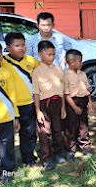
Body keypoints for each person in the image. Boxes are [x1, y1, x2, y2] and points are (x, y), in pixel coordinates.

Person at [1, 32, 39, 167]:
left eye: (23, 45)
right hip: (10, 107)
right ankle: (7, 163)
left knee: (29, 133)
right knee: (8, 137)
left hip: (29, 104)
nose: (21, 48)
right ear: (8, 47)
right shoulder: (3, 61)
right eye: (17, 45)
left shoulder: (31, 60)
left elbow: (42, 71)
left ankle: (29, 160)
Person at [32, 40, 66, 170]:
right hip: (43, 104)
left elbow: (62, 90)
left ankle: (58, 153)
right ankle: (47, 158)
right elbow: (36, 93)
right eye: (48, 54)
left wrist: (63, 107)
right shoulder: (36, 72)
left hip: (57, 103)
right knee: (45, 132)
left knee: (57, 129)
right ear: (40, 55)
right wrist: (38, 111)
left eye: (53, 54)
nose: (51, 57)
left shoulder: (58, 70)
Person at [64, 49, 93, 162]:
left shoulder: (83, 74)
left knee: (84, 125)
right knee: (71, 126)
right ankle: (70, 150)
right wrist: (74, 107)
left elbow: (87, 89)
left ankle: (86, 147)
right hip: (72, 102)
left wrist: (90, 102)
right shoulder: (65, 75)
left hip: (83, 100)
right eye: (79, 62)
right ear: (71, 62)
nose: (81, 64)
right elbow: (66, 94)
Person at [0, 41, 20, 184]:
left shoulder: (6, 72)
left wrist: (16, 116)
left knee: (6, 143)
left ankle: (6, 170)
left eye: (0, 53)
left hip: (6, 116)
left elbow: (12, 96)